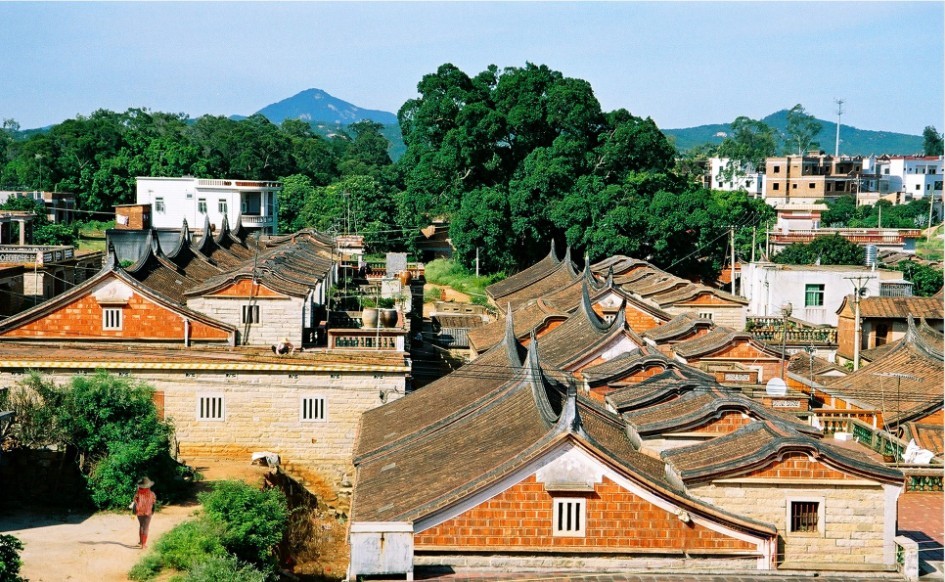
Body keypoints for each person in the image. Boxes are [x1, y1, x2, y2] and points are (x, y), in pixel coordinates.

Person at [130, 476, 156, 548]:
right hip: (148, 512)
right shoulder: (152, 494)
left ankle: (141, 542)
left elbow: (135, 503)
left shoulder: (137, 493)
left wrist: (133, 513)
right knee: (146, 527)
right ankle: (143, 544)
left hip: (139, 512)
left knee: (141, 526)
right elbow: (153, 503)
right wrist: (152, 511)